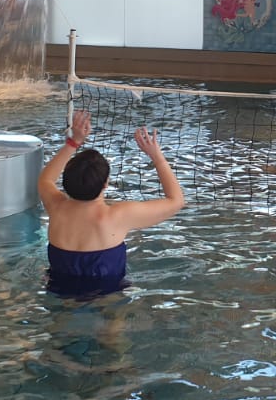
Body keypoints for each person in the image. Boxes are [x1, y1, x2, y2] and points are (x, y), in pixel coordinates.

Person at [37, 109, 185, 297]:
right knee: (117, 309)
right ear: (105, 184)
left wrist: (73, 142)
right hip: (108, 291)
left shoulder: (56, 207)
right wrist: (157, 157)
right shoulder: (118, 216)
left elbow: (46, 179)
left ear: (66, 181)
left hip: (59, 287)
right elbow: (176, 200)